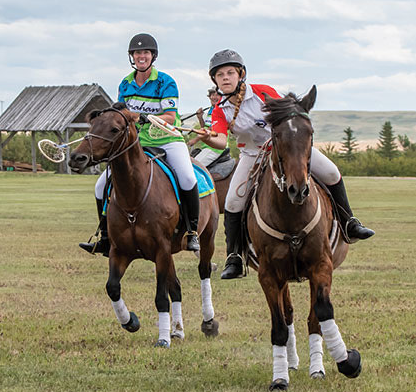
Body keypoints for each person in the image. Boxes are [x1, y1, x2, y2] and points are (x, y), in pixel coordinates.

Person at [194, 49, 375, 279]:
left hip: (286, 149)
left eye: (230, 73)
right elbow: (220, 141)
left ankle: (349, 223)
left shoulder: (263, 92)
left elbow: (291, 114)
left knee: (331, 172)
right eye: (220, 75)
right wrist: (207, 137)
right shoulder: (220, 110)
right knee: (232, 202)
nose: (225, 78)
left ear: (241, 75)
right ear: (215, 80)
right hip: (251, 155)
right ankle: (235, 256)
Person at [79, 33, 200, 256]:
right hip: (137, 144)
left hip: (167, 140)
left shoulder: (165, 81)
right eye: (137, 53)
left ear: (153, 56)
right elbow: (120, 116)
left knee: (187, 178)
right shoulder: (125, 84)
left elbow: (170, 116)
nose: (141, 56)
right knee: (100, 186)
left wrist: (143, 117)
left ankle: (191, 232)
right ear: (132, 57)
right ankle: (105, 237)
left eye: (145, 53)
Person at [187, 87, 225, 166]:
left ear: (222, 97)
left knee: (193, 167)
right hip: (206, 146)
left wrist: (195, 140)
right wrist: (200, 117)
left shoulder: (222, 110)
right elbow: (205, 129)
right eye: (212, 95)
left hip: (214, 148)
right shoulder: (211, 109)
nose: (214, 97)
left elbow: (211, 129)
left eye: (217, 95)